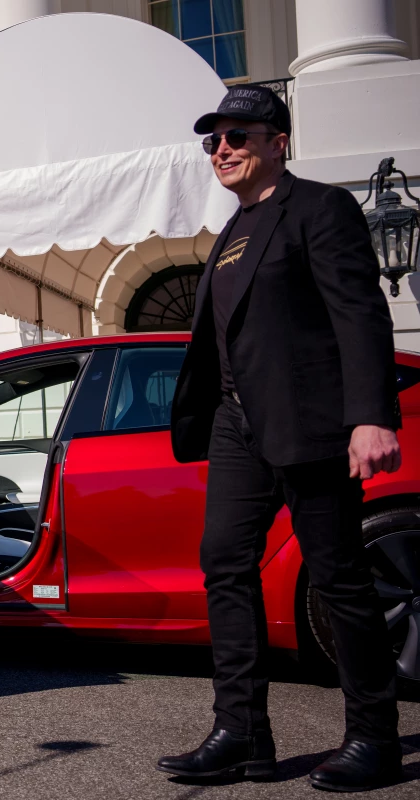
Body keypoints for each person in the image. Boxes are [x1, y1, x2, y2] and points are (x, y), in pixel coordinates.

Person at [160, 85, 403, 791]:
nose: (223, 150)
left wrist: (371, 415)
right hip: (238, 424)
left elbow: (360, 314)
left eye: (239, 136)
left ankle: (374, 737)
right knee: (224, 565)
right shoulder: (231, 234)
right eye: (214, 140)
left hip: (310, 422)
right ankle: (242, 735)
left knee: (339, 580)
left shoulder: (319, 209)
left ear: (278, 143)